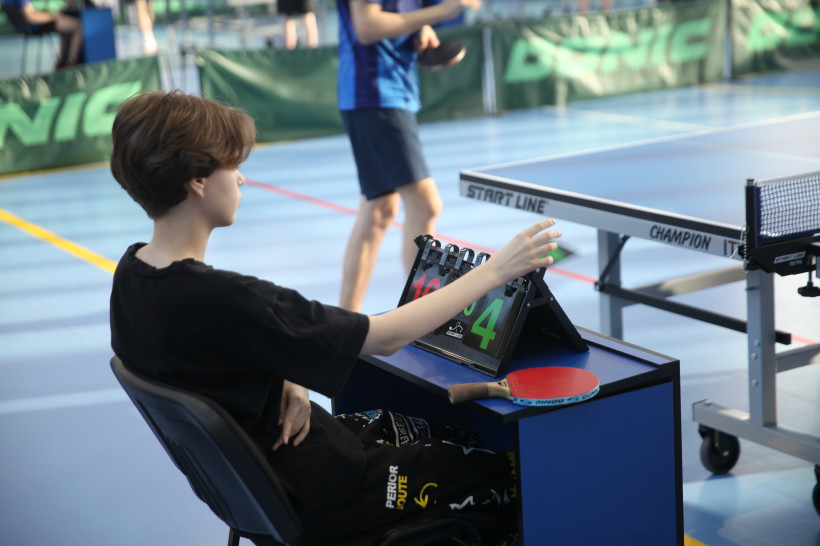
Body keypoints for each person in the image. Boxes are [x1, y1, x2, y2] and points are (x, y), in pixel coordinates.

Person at [108, 90, 563, 544]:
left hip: (267, 490)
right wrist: (496, 271)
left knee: (448, 431)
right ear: (197, 180)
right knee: (522, 475)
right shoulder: (230, 298)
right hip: (332, 490)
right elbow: (385, 337)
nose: (241, 178)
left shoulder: (131, 277)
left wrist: (289, 373)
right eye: (231, 165)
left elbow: (232, 352)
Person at [335, 0, 482, 312]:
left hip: (393, 90)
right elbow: (366, 26)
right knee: (425, 204)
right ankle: (421, 316)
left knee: (379, 210)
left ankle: (344, 323)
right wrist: (443, 11)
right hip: (374, 92)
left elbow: (397, 12)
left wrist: (420, 26)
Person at [2, 0, 84, 69]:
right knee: (78, 25)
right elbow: (31, 17)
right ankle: (71, 63)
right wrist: (54, 16)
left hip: (29, 28)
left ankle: (62, 62)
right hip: (36, 27)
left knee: (66, 27)